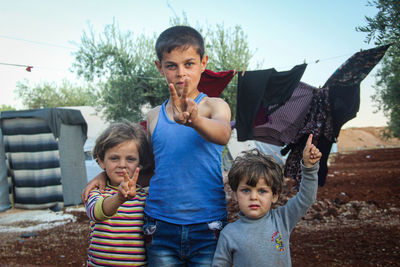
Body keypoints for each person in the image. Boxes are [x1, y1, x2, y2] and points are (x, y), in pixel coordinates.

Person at [82, 25, 232, 266]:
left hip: (208, 225)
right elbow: (148, 169)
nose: (181, 73)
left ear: (204, 63)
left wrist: (195, 121)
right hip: (160, 226)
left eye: (189, 64)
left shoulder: (214, 106)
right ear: (159, 67)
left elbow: (223, 133)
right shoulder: (153, 117)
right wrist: (103, 175)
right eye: (171, 65)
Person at [212, 134, 322, 267]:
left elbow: (306, 198)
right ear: (235, 194)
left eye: (262, 191)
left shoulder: (282, 220)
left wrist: (309, 168)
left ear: (275, 196)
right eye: (246, 190)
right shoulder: (229, 234)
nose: (254, 197)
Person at [85, 121, 154, 266]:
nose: (122, 164)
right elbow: (97, 212)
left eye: (130, 159)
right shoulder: (96, 191)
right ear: (101, 161)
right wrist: (118, 198)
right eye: (114, 158)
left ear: (139, 164)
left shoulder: (145, 197)